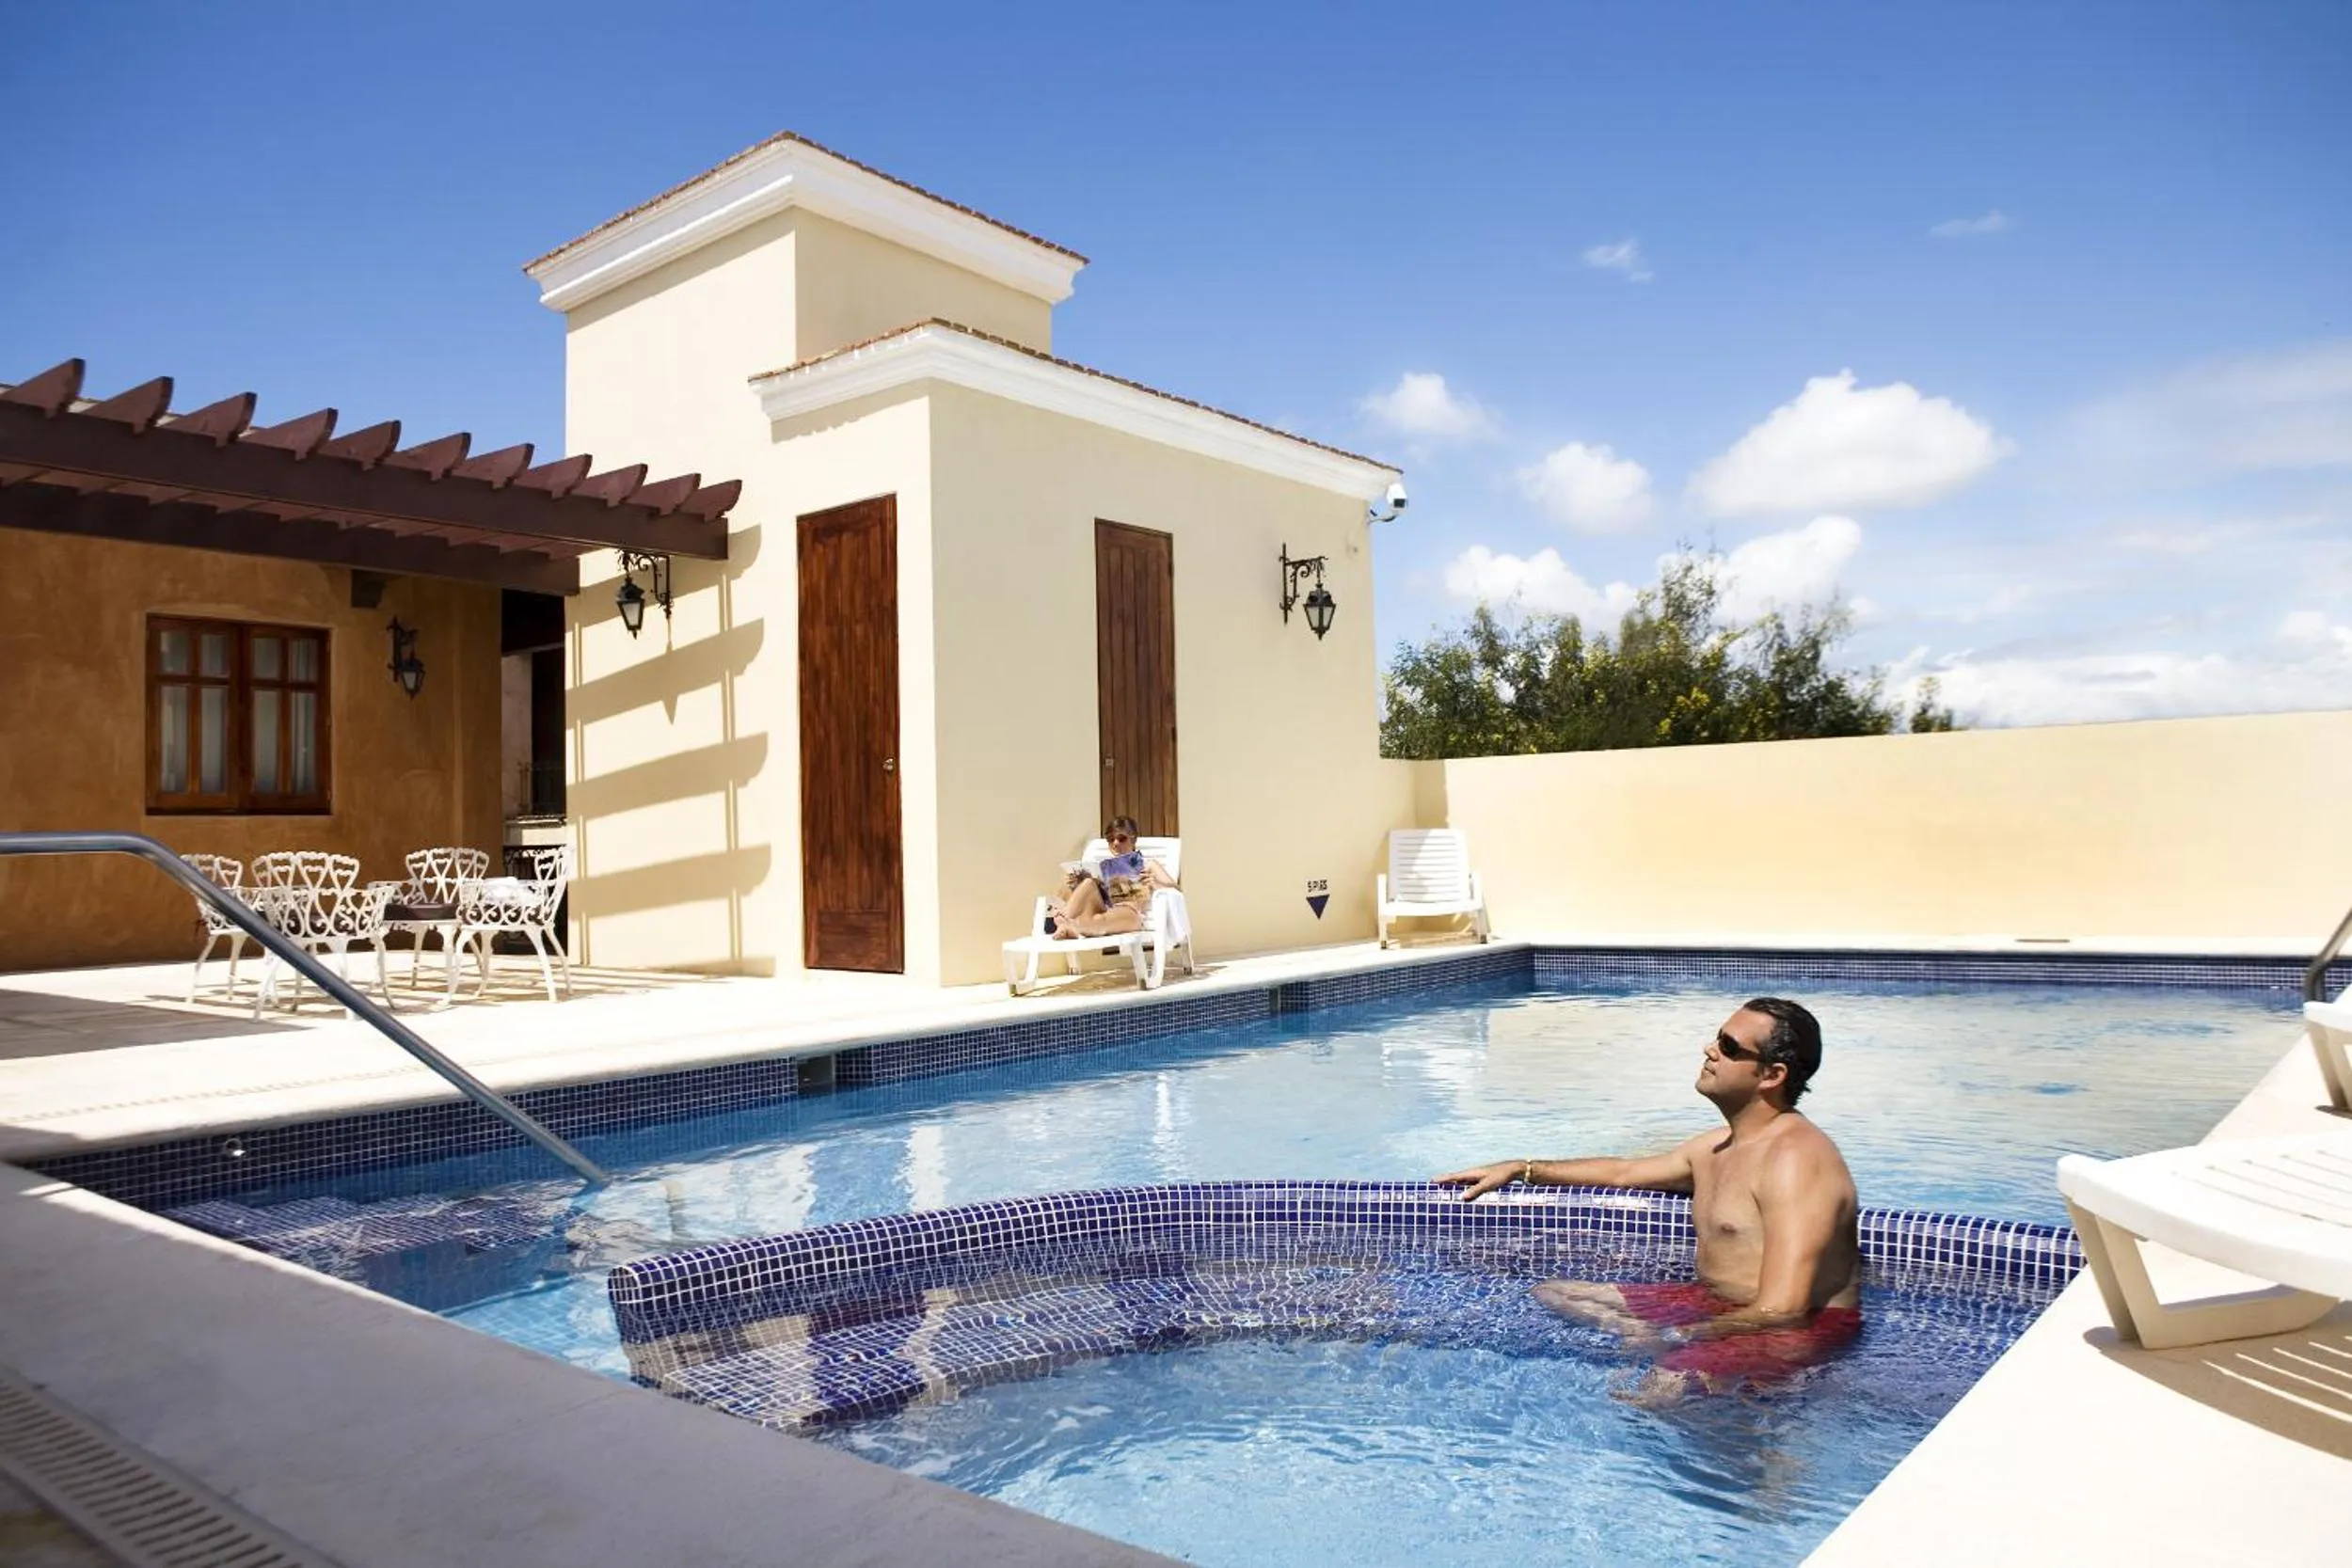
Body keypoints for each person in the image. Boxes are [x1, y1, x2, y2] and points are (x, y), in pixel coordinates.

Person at [1436, 997, 1861, 1403]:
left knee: (1658, 1391)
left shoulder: (1796, 1161)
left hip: (1796, 1328)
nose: (1710, 1049)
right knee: (1556, 1293)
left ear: (1772, 1075)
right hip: (1719, 1305)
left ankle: (1751, 1422)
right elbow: (1622, 1173)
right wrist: (1521, 1168)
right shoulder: (1716, 1148)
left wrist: (1677, 1336)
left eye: (1729, 1047)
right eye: (1717, 1037)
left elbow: (1784, 1308)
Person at [1045, 816, 1178, 940]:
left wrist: (1155, 882)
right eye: (1110, 839)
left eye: (1121, 838)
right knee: (1087, 883)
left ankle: (1064, 924)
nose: (1115, 843)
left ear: (1133, 839)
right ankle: (1062, 921)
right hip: (1104, 907)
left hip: (1130, 912)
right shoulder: (1103, 867)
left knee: (1098, 920)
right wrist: (1076, 882)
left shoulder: (1148, 864)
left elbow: (1176, 889)